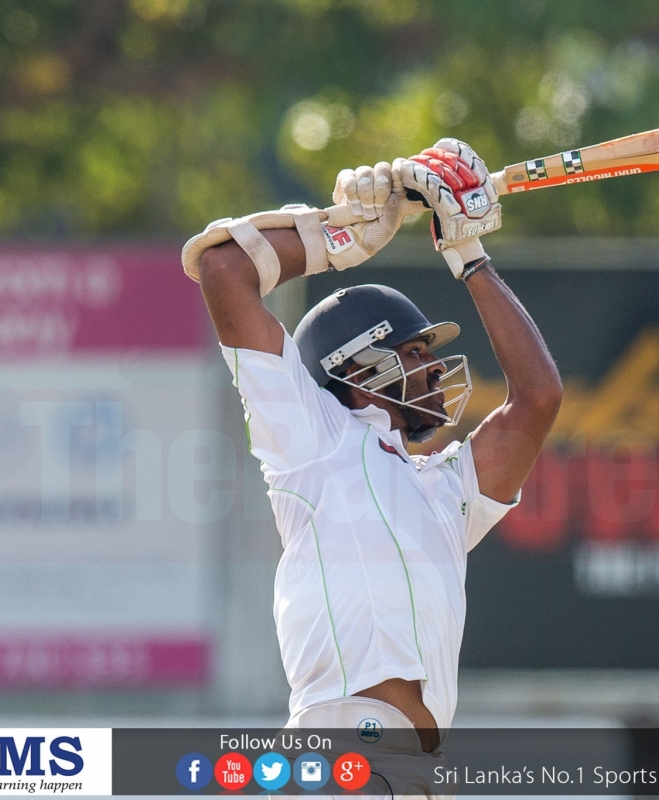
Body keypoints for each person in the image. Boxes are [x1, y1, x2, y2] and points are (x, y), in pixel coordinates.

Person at [181, 140, 562, 775]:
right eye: (414, 353)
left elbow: (538, 398)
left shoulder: (444, 491)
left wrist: (469, 255)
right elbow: (224, 268)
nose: (435, 367)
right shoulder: (309, 436)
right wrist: (344, 235)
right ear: (355, 368)